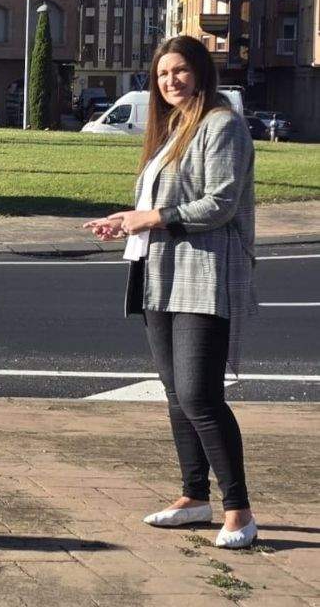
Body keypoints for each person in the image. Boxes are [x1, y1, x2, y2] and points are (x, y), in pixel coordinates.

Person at [82, 35, 259, 549]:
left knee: (201, 396)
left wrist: (151, 218)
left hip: (204, 277)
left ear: (200, 72)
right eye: (162, 74)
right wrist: (126, 221)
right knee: (177, 397)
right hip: (160, 273)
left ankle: (239, 512)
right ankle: (193, 496)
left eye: (179, 71)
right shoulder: (176, 128)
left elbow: (220, 204)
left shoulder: (222, 125)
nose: (170, 81)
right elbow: (162, 202)